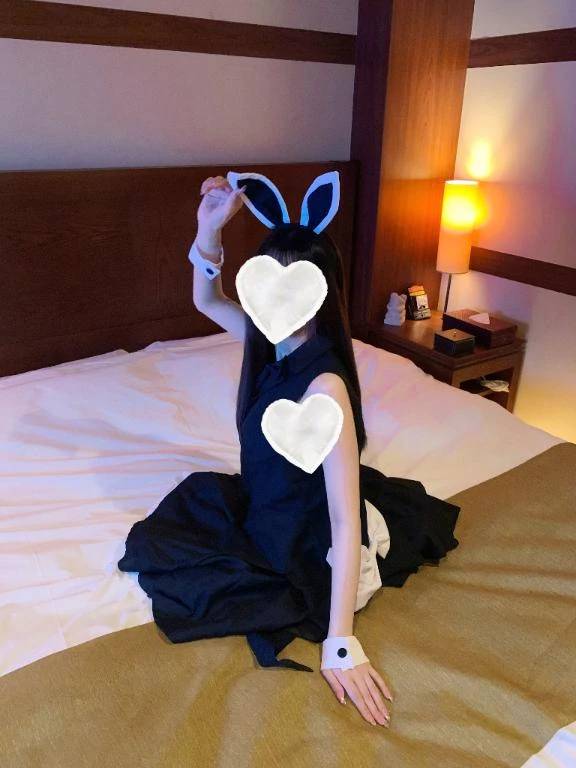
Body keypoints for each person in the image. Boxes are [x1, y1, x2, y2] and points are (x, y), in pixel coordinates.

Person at [118, 172, 461, 728]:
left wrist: (340, 641)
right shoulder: (268, 342)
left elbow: (345, 522)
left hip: (308, 533)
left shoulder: (325, 388)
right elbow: (206, 298)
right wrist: (209, 230)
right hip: (266, 508)